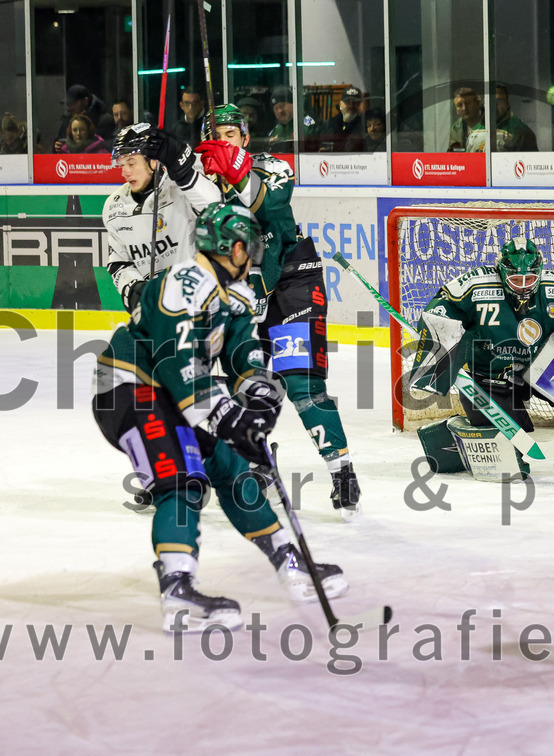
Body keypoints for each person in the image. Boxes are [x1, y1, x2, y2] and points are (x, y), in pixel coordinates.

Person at [92, 201, 348, 632]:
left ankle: (291, 562)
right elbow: (178, 365)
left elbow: (242, 354)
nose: (255, 253)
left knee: (230, 467)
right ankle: (177, 588)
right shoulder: (184, 282)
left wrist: (260, 393)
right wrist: (228, 418)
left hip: (167, 394)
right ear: (229, 248)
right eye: (249, 245)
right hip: (128, 388)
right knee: (181, 478)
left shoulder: (239, 292)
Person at [196, 105, 362, 519]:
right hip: (237, 291)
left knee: (302, 384)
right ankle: (257, 466)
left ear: (245, 139)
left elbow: (269, 208)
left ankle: (341, 471)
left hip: (292, 284)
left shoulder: (273, 167)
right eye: (219, 135)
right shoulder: (201, 188)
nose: (227, 140)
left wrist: (235, 169)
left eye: (232, 134)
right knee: (245, 387)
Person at [407, 239, 554, 476]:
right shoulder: (476, 285)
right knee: (499, 442)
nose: (524, 287)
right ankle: (453, 431)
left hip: (548, 368)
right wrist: (440, 351)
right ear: (502, 273)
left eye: (530, 280)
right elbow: (440, 309)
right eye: (516, 281)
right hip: (490, 375)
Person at [104, 123, 222, 313]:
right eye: (122, 164)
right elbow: (119, 262)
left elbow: (215, 206)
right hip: (152, 308)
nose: (125, 172)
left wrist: (184, 173)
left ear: (153, 162)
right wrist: (133, 288)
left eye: (132, 163)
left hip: (196, 303)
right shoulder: (113, 206)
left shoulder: (180, 189)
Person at [318, 86, 364, 152]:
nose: (351, 105)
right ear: (340, 104)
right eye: (348, 102)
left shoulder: (366, 125)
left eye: (355, 102)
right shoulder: (329, 125)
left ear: (360, 105)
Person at [494, 84, 538, 151]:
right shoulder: (479, 128)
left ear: (507, 102)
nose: (493, 106)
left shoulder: (521, 131)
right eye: (487, 102)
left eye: (498, 101)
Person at [447, 87, 486, 152]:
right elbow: (453, 155)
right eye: (460, 105)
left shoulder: (490, 120)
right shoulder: (456, 129)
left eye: (468, 103)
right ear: (457, 110)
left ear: (478, 103)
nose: (464, 108)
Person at [266, 85, 295, 152]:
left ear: (293, 104)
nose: (280, 111)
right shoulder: (275, 131)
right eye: (276, 108)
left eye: (282, 106)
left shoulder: (304, 127)